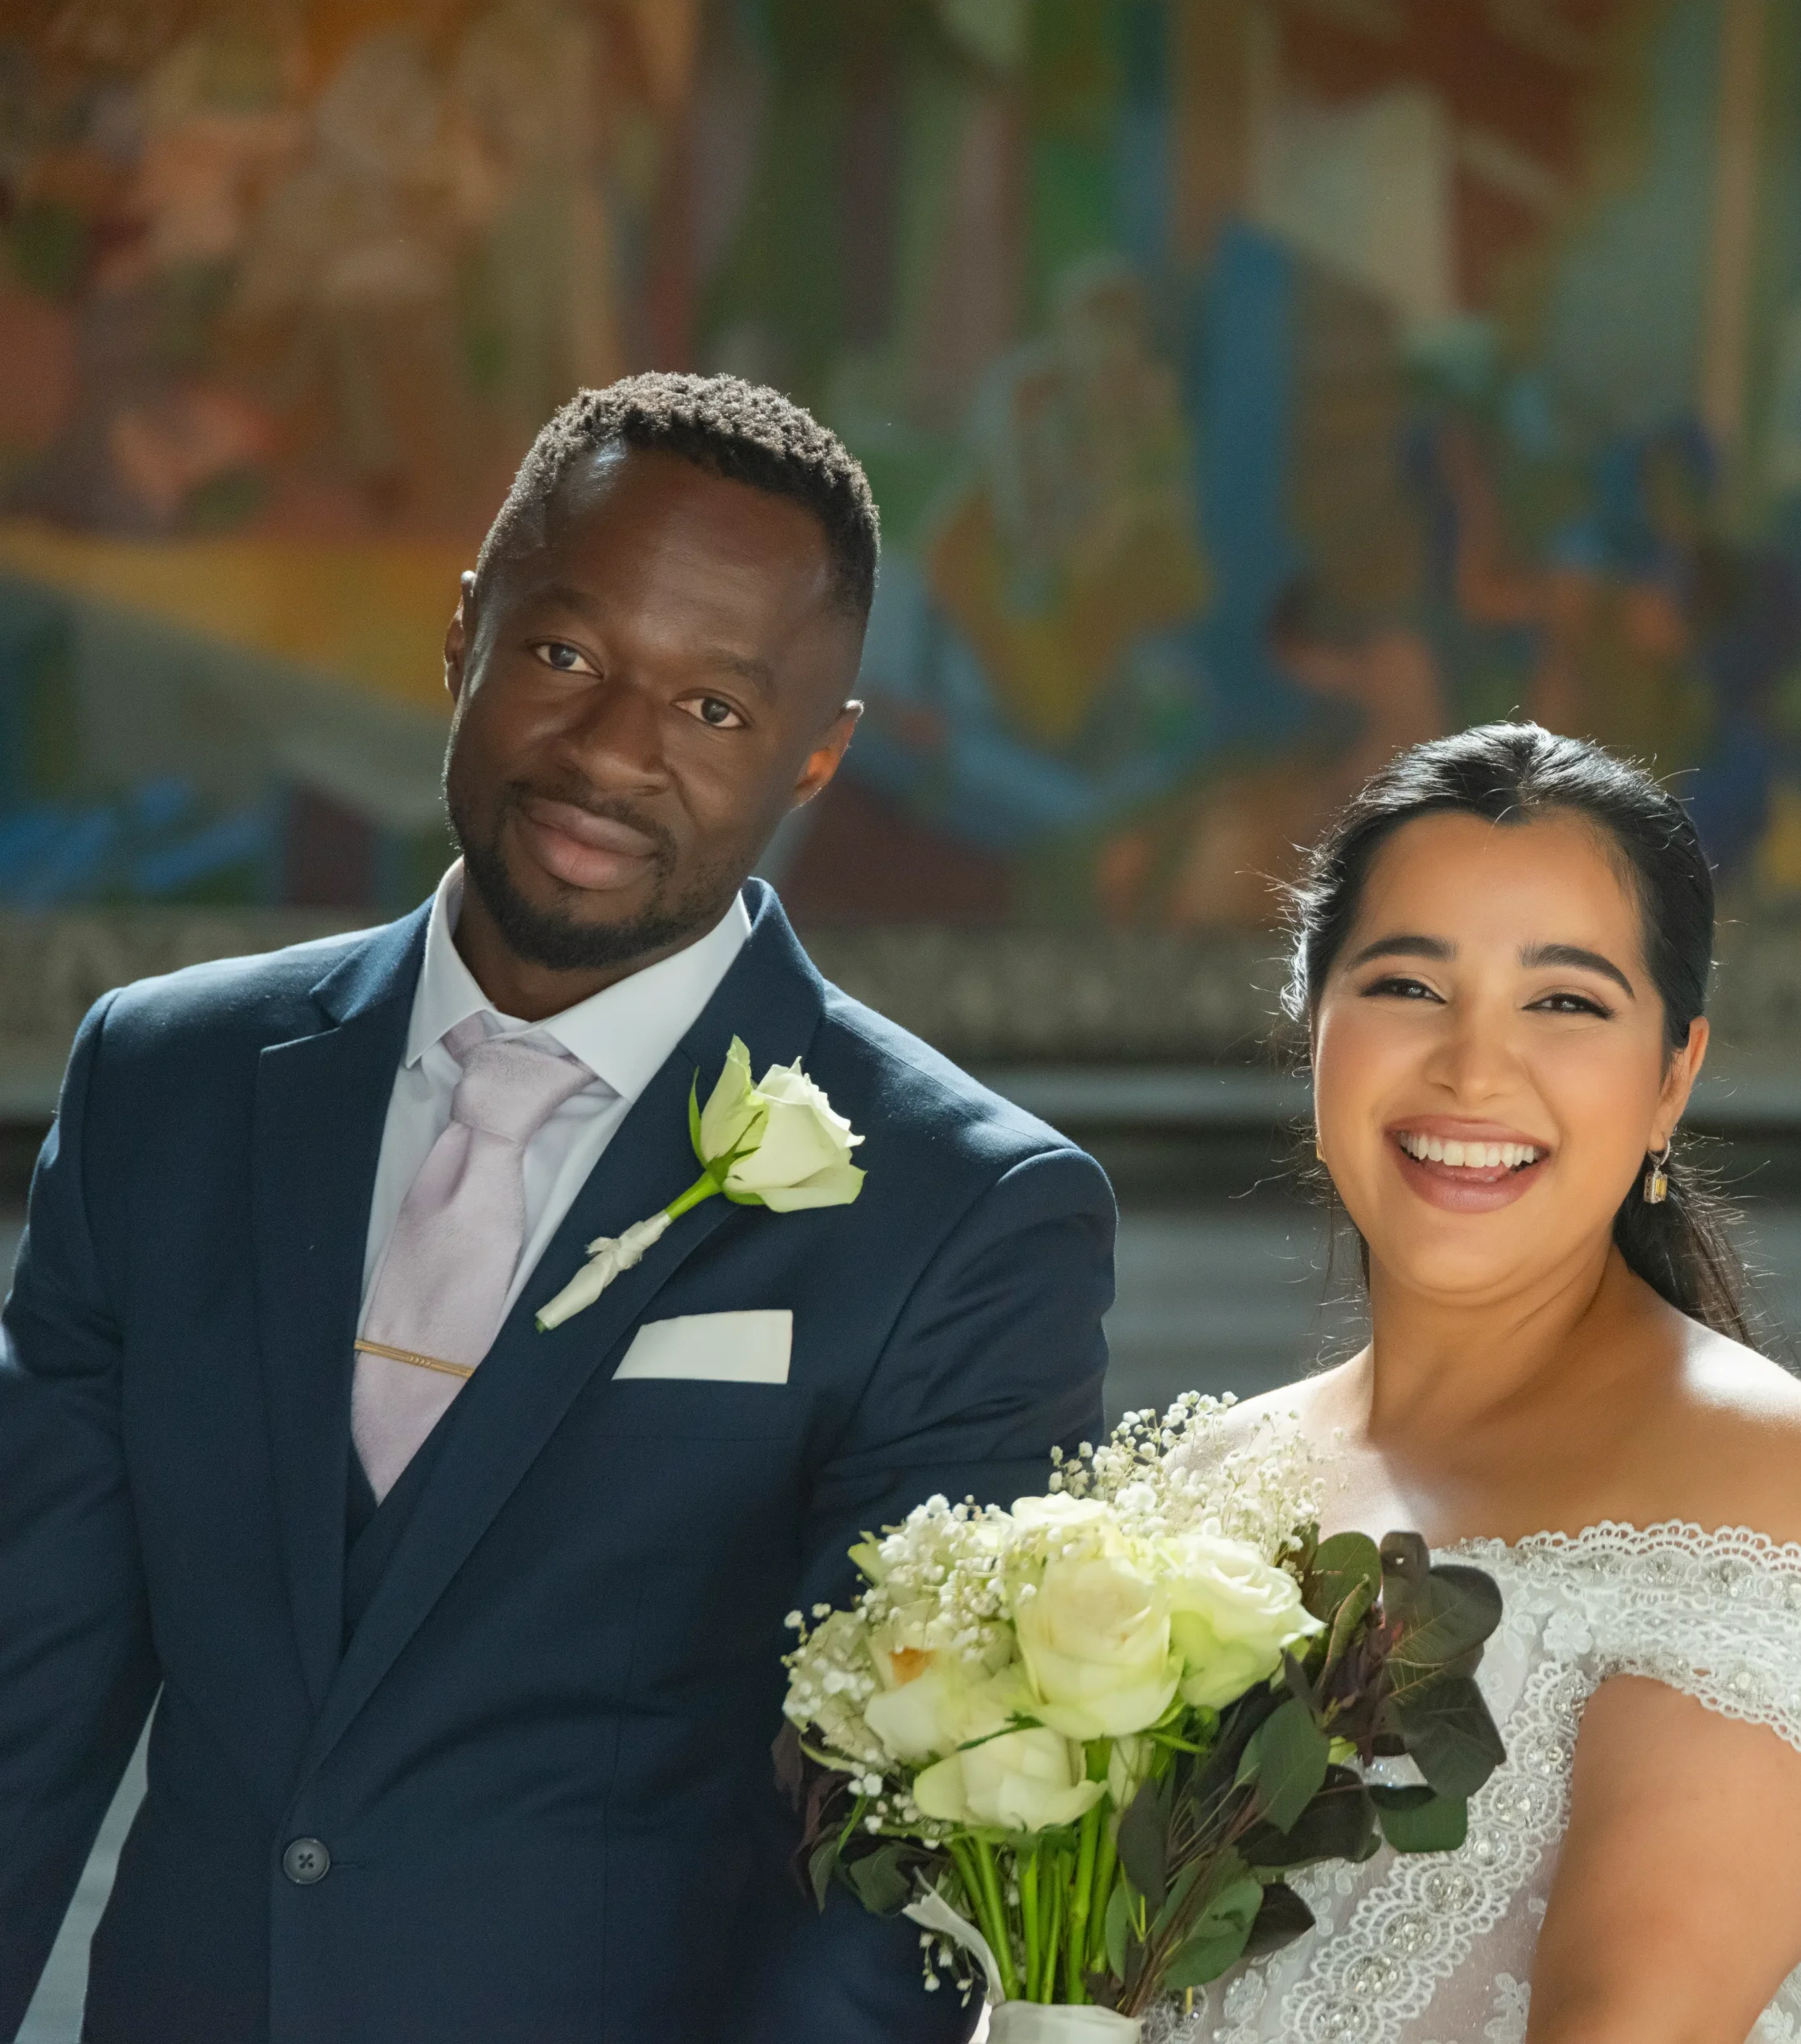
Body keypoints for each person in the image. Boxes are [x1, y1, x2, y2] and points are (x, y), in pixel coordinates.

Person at [0, 373, 1116, 2042]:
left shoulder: (962, 1214)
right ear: (466, 634)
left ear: (820, 754)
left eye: (716, 710)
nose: (609, 754)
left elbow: (893, 1872)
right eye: (568, 656)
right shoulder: (166, 1083)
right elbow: (28, 1692)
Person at [1177, 724, 1801, 2044]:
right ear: (1312, 1019)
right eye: (1409, 986)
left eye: (1566, 1002)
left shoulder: (1764, 1494)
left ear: (1673, 1076)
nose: (1475, 1068)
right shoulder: (1201, 1486)